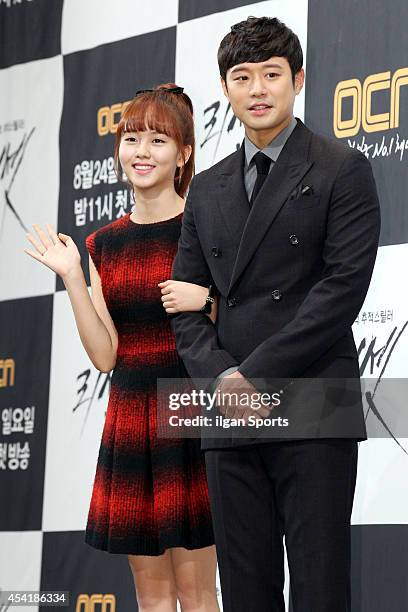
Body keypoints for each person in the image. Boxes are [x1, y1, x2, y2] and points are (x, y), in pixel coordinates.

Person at [168, 17, 381, 612]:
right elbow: (185, 299)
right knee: (244, 589)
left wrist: (250, 378)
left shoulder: (342, 167)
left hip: (313, 398)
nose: (258, 89)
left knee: (319, 586)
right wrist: (217, 378)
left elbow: (340, 291)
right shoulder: (205, 189)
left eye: (271, 75)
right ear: (226, 88)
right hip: (227, 408)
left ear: (299, 80)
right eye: (243, 77)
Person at [23, 84, 220, 612]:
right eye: (131, 138)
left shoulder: (205, 228)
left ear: (183, 154)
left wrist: (208, 301)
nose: (141, 151)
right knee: (151, 594)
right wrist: (72, 279)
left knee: (198, 590)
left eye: (158, 139)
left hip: (192, 410)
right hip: (132, 414)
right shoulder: (103, 244)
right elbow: (106, 356)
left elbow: (242, 320)